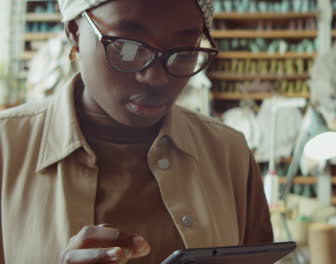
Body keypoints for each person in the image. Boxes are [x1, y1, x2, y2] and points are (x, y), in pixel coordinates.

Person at [0, 0, 273, 263]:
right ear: (74, 31)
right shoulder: (6, 148)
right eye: (127, 48)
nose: (156, 77)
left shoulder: (229, 153)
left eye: (185, 52)